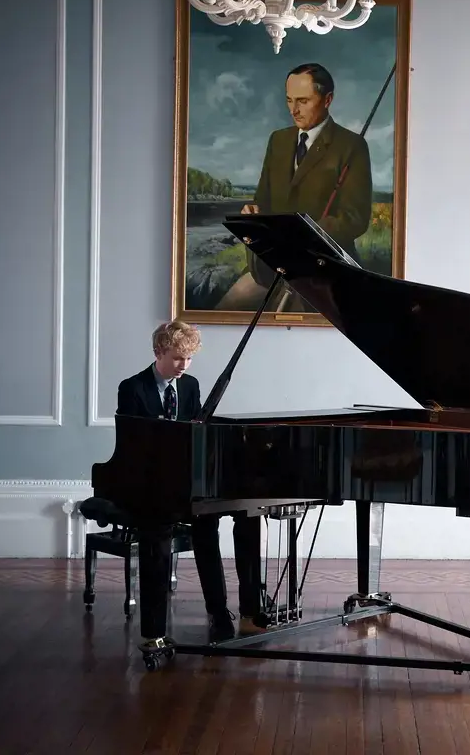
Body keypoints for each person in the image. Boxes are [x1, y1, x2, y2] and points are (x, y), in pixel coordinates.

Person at [116, 319, 268, 643]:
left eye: (188, 359)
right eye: (176, 358)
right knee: (197, 526)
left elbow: (197, 434)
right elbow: (132, 446)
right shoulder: (132, 389)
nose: (183, 366)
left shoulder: (190, 385)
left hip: (188, 478)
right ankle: (180, 623)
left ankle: (245, 611)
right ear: (158, 352)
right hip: (152, 483)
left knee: (247, 514)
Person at [215, 62, 373, 313]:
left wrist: (304, 237)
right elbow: (263, 200)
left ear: (327, 99)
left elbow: (355, 218)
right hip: (270, 266)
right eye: (289, 100)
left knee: (289, 316)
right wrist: (254, 213)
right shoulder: (278, 140)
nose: (294, 110)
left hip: (323, 268)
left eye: (303, 101)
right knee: (224, 310)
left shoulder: (351, 146)